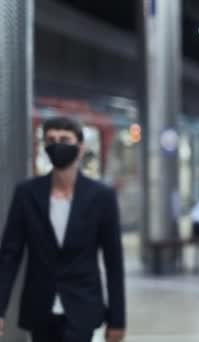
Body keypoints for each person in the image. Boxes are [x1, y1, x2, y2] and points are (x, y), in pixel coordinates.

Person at [0, 117, 126, 342]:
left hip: (82, 307)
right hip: (39, 308)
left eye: (64, 139)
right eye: (51, 140)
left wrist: (117, 319)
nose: (57, 145)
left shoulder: (101, 197)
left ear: (80, 146)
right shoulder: (27, 194)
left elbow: (113, 261)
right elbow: (9, 256)